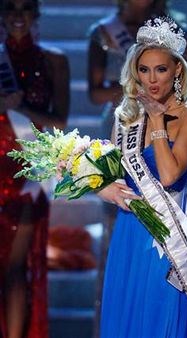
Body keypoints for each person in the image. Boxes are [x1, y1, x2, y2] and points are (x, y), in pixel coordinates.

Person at [97, 17, 187, 338]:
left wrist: (158, 121)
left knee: (159, 317)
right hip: (130, 230)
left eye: (160, 69)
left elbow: (171, 174)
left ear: (177, 70)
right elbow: (108, 176)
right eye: (143, 70)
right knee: (126, 319)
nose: (151, 79)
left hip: (166, 236)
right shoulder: (126, 117)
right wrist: (103, 188)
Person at [0, 1, 69, 337]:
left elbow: (59, 123)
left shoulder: (54, 61)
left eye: (26, 7)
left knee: (15, 269)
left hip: (28, 175)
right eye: (10, 7)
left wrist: (21, 107)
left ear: (36, 14)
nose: (17, 14)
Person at [88, 0, 187, 138]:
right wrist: (137, 90)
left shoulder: (177, 33)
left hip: (167, 121)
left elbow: (182, 88)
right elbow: (95, 95)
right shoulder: (104, 31)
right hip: (121, 123)